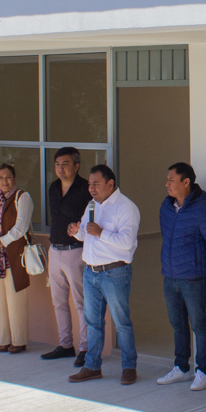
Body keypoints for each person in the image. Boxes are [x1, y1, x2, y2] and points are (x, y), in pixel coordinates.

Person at [66, 164, 140, 385]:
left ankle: (129, 367)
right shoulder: (92, 205)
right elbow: (86, 235)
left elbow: (127, 243)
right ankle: (92, 366)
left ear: (110, 184)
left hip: (114, 272)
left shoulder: (126, 207)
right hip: (91, 273)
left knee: (121, 322)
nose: (91, 188)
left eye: (96, 184)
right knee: (93, 322)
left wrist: (101, 232)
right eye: (89, 184)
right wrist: (76, 231)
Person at [156, 162, 206, 391]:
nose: (167, 184)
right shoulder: (166, 207)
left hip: (194, 277)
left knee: (199, 325)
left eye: (171, 180)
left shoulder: (203, 209)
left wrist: (202, 264)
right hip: (170, 276)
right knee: (177, 324)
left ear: (186, 182)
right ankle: (181, 368)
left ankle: (202, 371)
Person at [43, 147, 92, 366]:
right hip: (55, 250)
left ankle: (86, 348)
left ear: (77, 165)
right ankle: (65, 344)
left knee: (81, 302)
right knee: (58, 301)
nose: (60, 169)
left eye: (65, 164)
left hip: (76, 251)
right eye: (57, 164)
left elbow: (92, 216)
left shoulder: (84, 189)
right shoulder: (53, 188)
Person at [0, 162, 33, 353]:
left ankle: (18, 341)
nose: (4, 181)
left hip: (13, 257)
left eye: (8, 177)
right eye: (0, 177)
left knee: (15, 299)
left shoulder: (22, 197)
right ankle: (4, 339)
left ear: (15, 178)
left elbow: (20, 227)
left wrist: (0, 243)